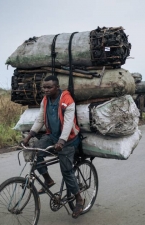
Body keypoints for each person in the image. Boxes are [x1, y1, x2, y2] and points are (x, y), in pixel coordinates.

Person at [22, 75, 84, 219]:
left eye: (49, 87)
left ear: (57, 87)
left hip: (68, 140)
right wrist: (29, 136)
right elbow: (39, 119)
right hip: (52, 136)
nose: (46, 90)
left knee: (66, 171)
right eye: (44, 87)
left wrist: (62, 142)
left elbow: (69, 123)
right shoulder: (45, 100)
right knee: (35, 152)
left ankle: (79, 199)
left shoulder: (67, 100)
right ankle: (48, 179)